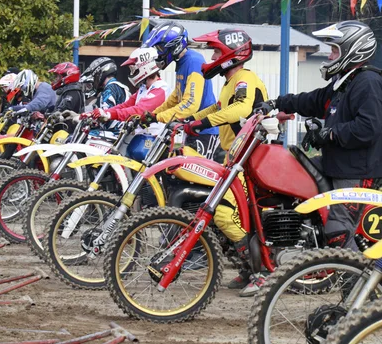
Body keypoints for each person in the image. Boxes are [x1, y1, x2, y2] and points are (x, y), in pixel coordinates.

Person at [257, 21, 382, 257]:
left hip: (357, 171)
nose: (330, 55)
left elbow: (367, 127)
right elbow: (314, 100)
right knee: (292, 176)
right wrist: (276, 103)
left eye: (334, 50)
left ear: (353, 50)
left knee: (338, 229)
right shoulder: (345, 82)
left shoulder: (368, 82)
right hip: (338, 165)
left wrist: (329, 134)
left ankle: (359, 282)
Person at [184, 28, 268, 297]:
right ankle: (248, 269)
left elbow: (242, 109)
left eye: (216, 51)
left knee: (225, 212)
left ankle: (260, 273)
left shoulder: (244, 79)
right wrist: (190, 122)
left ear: (231, 54)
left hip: (250, 158)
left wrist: (203, 122)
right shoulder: (231, 81)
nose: (212, 56)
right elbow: (219, 108)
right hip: (235, 156)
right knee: (233, 215)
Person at [142, 21, 220, 159]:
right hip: (190, 130)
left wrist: (159, 117)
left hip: (204, 132)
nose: (158, 54)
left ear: (175, 46)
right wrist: (153, 114)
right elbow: (177, 96)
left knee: (194, 178)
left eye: (160, 49)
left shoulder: (194, 61)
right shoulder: (181, 62)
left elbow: (190, 103)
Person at [87, 48, 168, 123]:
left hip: (153, 136)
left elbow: (139, 110)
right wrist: (96, 113)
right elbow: (125, 106)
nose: (132, 73)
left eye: (133, 69)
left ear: (144, 66)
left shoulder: (160, 89)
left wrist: (110, 114)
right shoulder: (144, 88)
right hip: (138, 134)